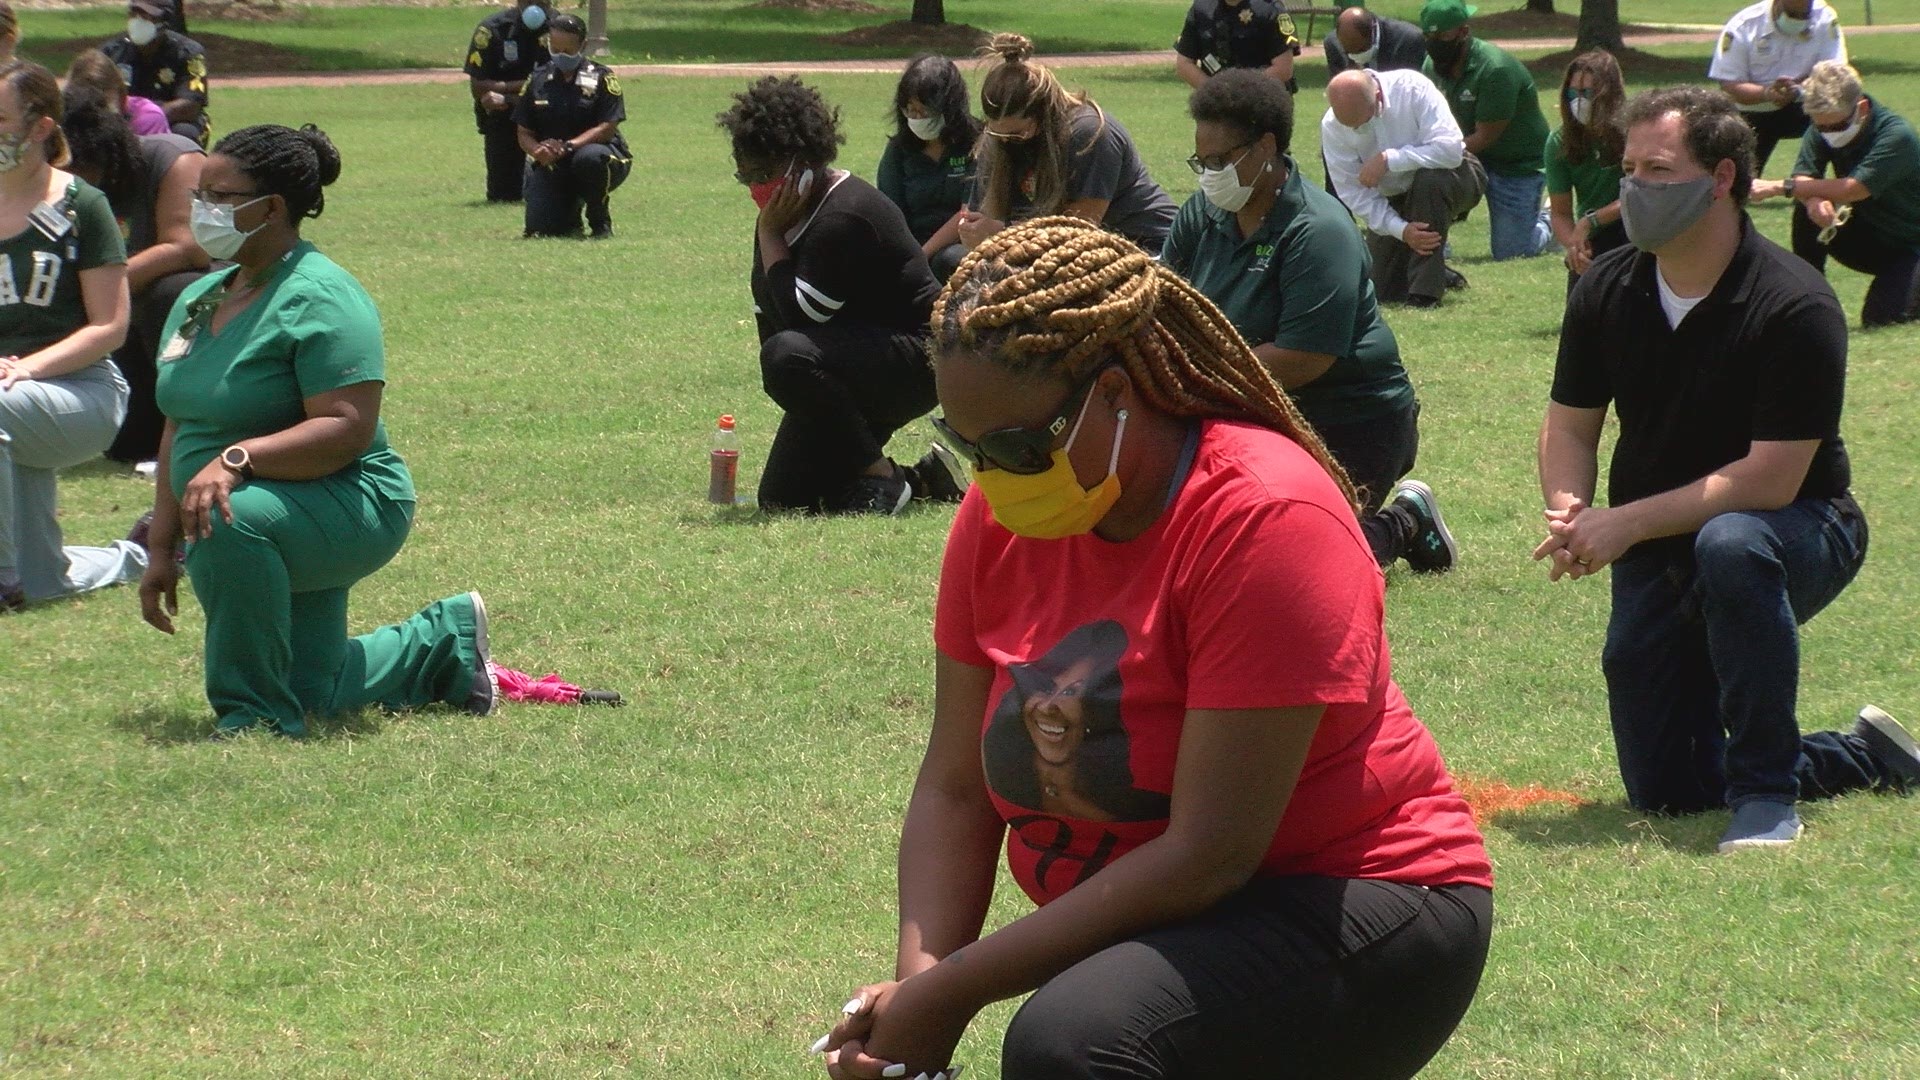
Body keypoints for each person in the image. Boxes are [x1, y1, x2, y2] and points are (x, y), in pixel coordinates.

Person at [814, 217, 1493, 1080]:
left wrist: (954, 990)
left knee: (1076, 1043)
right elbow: (954, 787)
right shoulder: (1002, 512)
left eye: (1020, 446)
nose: (992, 476)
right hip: (1177, 915)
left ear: (1117, 389)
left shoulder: (1266, 516)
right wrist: (916, 997)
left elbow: (1209, 855)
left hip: (1357, 901)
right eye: (966, 445)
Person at [1536, 86, 1920, 852]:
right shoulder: (1606, 290)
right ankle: (1857, 756)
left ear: (1720, 179)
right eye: (1628, 168)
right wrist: (1572, 508)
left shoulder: (1794, 303)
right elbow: (1571, 426)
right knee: (1667, 787)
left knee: (1732, 547)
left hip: (1801, 526)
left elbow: (1771, 479)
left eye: (1657, 169)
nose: (1633, 188)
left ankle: (1767, 797)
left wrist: (1626, 522)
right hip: (1657, 537)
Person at [136, 124, 502, 735]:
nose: (202, 211)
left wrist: (235, 460)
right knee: (314, 687)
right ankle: (442, 642)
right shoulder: (198, 297)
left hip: (347, 500)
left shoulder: (323, 295)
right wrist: (159, 546)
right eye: (200, 195)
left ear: (272, 208)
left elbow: (346, 428)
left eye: (219, 198)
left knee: (231, 519)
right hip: (266, 504)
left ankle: (252, 717)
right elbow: (181, 423)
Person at [1164, 69, 1455, 572]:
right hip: (1240, 409)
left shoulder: (1318, 230)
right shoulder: (1203, 214)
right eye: (1201, 161)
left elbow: (1304, 357)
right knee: (1196, 544)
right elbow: (1162, 303)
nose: (1209, 174)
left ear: (1265, 148)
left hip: (1347, 419)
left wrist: (1194, 376)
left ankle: (1404, 520)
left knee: (1300, 565)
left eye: (1221, 160)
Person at [716, 76, 963, 515]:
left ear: (802, 161)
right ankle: (922, 479)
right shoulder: (781, 217)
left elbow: (796, 320)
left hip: (916, 361)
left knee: (786, 353)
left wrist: (771, 233)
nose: (756, 187)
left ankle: (880, 476)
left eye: (764, 174)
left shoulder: (846, 212)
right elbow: (767, 314)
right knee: (784, 498)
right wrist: (810, 401)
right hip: (848, 363)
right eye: (745, 175)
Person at [0, 61, 147, 612]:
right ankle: (140, 552)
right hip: (8, 404)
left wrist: (28, 369)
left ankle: (1, 577)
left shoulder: (81, 205)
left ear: (40, 127)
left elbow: (110, 326)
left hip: (81, 392)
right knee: (47, 583)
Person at [60, 89, 208, 464]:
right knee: (128, 447)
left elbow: (187, 247)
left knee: (172, 290)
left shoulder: (173, 157)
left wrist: (96, 290)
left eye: (73, 167)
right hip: (128, 310)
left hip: (201, 297)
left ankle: (199, 419)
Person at [961, 34, 1176, 257]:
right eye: (998, 133)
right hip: (1068, 255)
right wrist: (976, 235)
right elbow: (983, 220)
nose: (1006, 141)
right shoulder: (998, 140)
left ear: (1042, 113)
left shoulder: (1089, 133)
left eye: (1017, 134)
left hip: (1147, 247)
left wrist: (1001, 236)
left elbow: (1078, 235)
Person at [1750, 61, 1920, 328]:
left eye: (1837, 126)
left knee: (1881, 319)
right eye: (1822, 127)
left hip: (1911, 247)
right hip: (1869, 237)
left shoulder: (1897, 136)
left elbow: (1854, 189)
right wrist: (1813, 200)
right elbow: (1804, 176)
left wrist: (1778, 186)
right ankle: (1806, 300)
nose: (1829, 134)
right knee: (1806, 205)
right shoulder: (1821, 126)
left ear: (1861, 109)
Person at [1323, 68, 1484, 308]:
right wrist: (1402, 230)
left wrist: (1390, 159)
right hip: (1394, 197)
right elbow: (1353, 193)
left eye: (1361, 124)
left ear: (1377, 98)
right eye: (1349, 126)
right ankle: (1438, 270)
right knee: (1381, 290)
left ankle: (1425, 294)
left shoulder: (1412, 88)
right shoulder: (1331, 126)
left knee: (1428, 182)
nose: (1355, 131)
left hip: (1455, 176)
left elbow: (1451, 151)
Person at [1419, 0, 1552, 261]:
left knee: (1512, 251)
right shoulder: (1430, 67)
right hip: (1466, 155)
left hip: (1515, 163)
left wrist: (1430, 154)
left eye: (1443, 35)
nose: (1435, 42)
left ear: (1464, 32)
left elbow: (1485, 137)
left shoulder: (1495, 69)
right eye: (1428, 35)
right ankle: (1435, 240)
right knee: (1422, 175)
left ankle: (1549, 223)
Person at [514, 13, 628, 239]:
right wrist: (537, 151)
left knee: (589, 158)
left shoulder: (602, 77)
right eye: (555, 49)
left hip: (602, 157)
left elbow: (607, 126)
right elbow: (523, 132)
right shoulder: (537, 79)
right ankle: (569, 215)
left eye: (567, 51)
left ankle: (599, 220)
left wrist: (568, 146)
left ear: (583, 46)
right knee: (540, 229)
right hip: (555, 161)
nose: (560, 56)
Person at [877, 54, 979, 284]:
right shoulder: (899, 149)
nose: (916, 118)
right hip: (910, 242)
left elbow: (969, 210)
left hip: (960, 242)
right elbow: (889, 211)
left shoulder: (977, 143)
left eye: (924, 111)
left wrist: (921, 255)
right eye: (910, 110)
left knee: (952, 260)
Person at [1710, 0, 1847, 172]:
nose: (1799, 20)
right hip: (1755, 111)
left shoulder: (1824, 16)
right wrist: (1768, 94)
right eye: (1792, 15)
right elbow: (1730, 85)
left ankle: (1818, 183)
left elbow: (1833, 71)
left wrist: (1797, 89)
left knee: (1843, 105)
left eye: (1804, 15)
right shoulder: (1744, 26)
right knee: (1741, 181)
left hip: (1805, 104)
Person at [1546, 50, 1628, 293]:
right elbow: (1560, 212)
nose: (1579, 101)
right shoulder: (1559, 142)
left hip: (1634, 227)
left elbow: (1640, 194)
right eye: (1573, 92)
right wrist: (1575, 246)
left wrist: (1590, 221)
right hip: (1593, 233)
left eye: (1588, 93)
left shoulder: (1632, 132)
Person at [463, 0, 550, 204]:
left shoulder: (562, 28)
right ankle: (524, 174)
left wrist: (506, 92)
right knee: (503, 196)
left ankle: (536, 173)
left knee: (557, 192)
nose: (536, 6)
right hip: (504, 115)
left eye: (543, 1)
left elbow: (561, 84)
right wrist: (534, 84)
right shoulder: (492, 30)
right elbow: (479, 86)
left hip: (546, 113)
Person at [97, 0, 208, 146]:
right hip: (122, 119)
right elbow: (97, 96)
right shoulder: (111, 52)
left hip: (174, 121)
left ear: (165, 22)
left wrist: (147, 117)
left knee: (184, 133)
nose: (137, 20)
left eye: (145, 16)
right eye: (133, 14)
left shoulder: (189, 52)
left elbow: (191, 105)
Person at [1173, 0, 1301, 93]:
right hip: (1216, 104)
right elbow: (1184, 64)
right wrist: (1215, 91)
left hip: (1263, 103)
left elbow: (1283, 69)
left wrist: (1238, 91)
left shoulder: (1270, 10)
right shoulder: (1201, 9)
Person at [67, 49, 168, 137]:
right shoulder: (68, 117)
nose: (97, 111)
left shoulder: (147, 117)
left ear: (119, 91)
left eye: (102, 102)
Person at [1323, 5, 1427, 74]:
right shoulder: (1333, 44)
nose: (1354, 56)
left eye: (1360, 50)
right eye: (1348, 52)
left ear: (1372, 32)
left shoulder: (1409, 41)